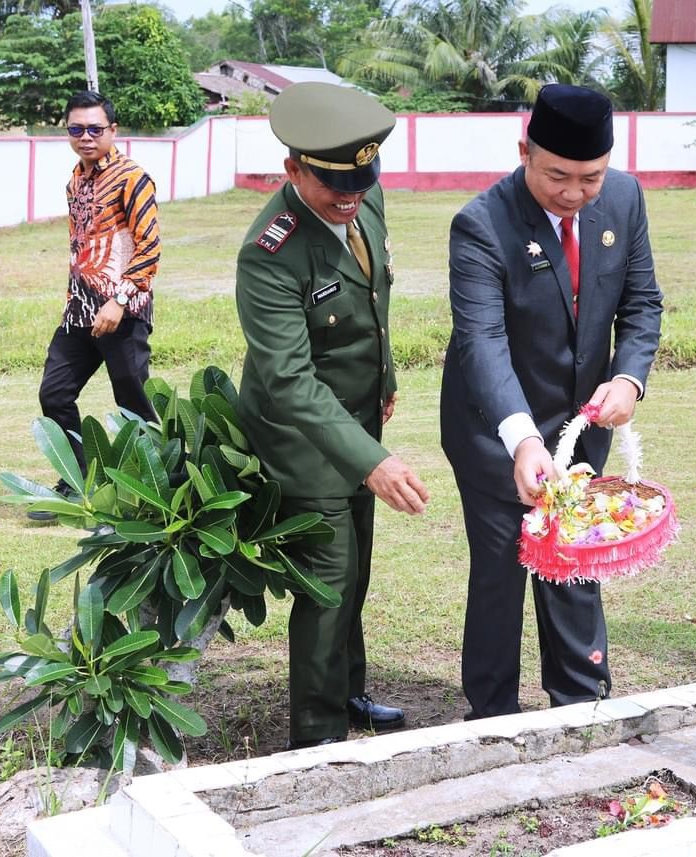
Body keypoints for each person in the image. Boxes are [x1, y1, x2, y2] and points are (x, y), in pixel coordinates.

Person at [440, 84, 664, 720]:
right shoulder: (481, 224)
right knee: (502, 569)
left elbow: (642, 301)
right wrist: (523, 439)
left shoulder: (624, 198)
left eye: (589, 178)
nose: (574, 194)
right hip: (495, 430)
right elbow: (480, 340)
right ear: (524, 153)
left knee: (574, 565)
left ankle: (581, 704)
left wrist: (629, 378)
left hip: (579, 428)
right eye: (557, 177)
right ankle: (491, 714)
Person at [234, 82, 429, 749]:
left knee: (358, 570)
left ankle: (347, 692)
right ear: (292, 170)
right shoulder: (269, 253)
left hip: (356, 419)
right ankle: (315, 737)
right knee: (329, 580)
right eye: (333, 186)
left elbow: (374, 303)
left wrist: (387, 378)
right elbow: (287, 380)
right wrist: (372, 461)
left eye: (361, 180)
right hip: (299, 436)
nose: (350, 198)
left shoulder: (364, 202)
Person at [30, 90, 160, 521]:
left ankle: (155, 491)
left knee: (133, 404)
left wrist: (119, 301)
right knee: (55, 393)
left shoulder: (132, 178)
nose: (85, 136)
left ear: (113, 131)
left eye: (95, 129)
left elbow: (150, 246)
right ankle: (78, 479)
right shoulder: (75, 179)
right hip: (80, 309)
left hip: (122, 310)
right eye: (76, 129)